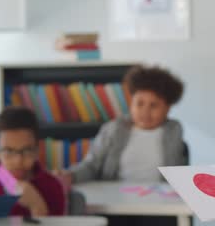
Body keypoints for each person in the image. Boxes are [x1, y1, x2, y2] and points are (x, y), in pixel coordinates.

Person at [56, 65, 186, 185]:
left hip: (161, 201)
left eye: (154, 105)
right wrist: (71, 175)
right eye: (139, 103)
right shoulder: (113, 129)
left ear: (167, 108)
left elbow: (180, 174)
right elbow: (91, 165)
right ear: (131, 102)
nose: (145, 112)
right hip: (115, 198)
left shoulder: (174, 131)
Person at [0, 107, 65, 217]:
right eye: (8, 151)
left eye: (27, 151)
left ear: (37, 149)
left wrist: (37, 206)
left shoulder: (52, 187)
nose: (18, 161)